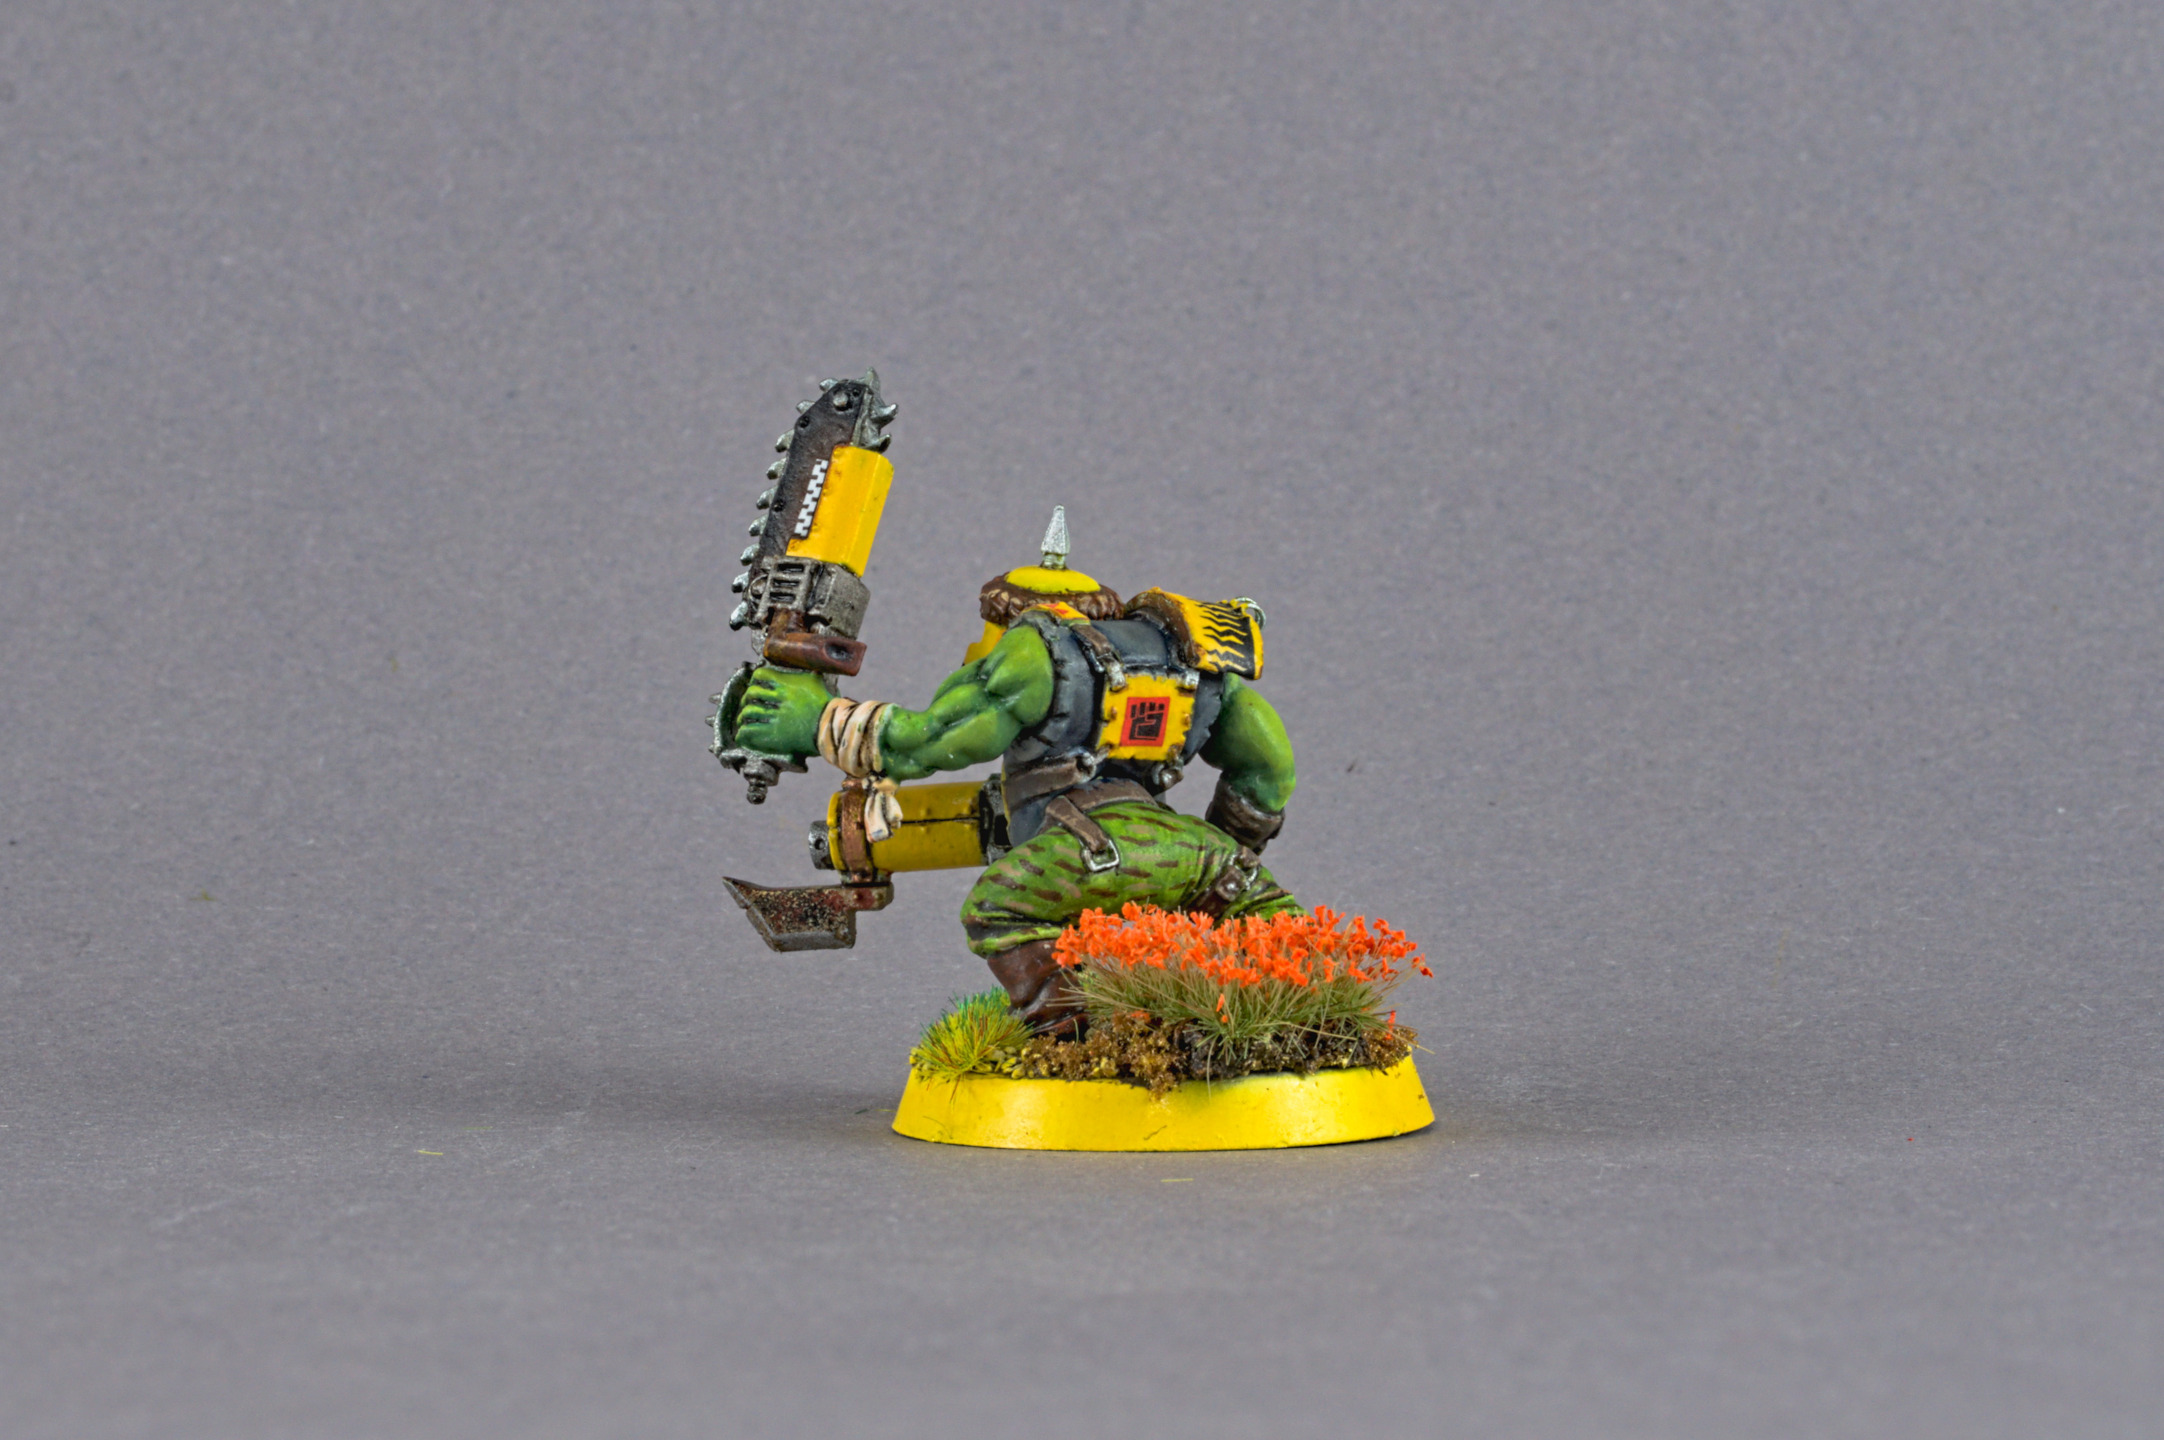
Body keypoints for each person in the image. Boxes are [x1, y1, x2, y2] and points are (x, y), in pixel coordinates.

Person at [732, 509, 1300, 1033]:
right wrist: (1214, 867)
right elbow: (1270, 771)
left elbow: (924, 743)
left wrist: (817, 720)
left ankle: (1072, 1032)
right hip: (1208, 857)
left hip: (1090, 851)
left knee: (995, 907)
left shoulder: (1032, 655)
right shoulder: (1191, 662)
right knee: (1297, 947)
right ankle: (1282, 1021)